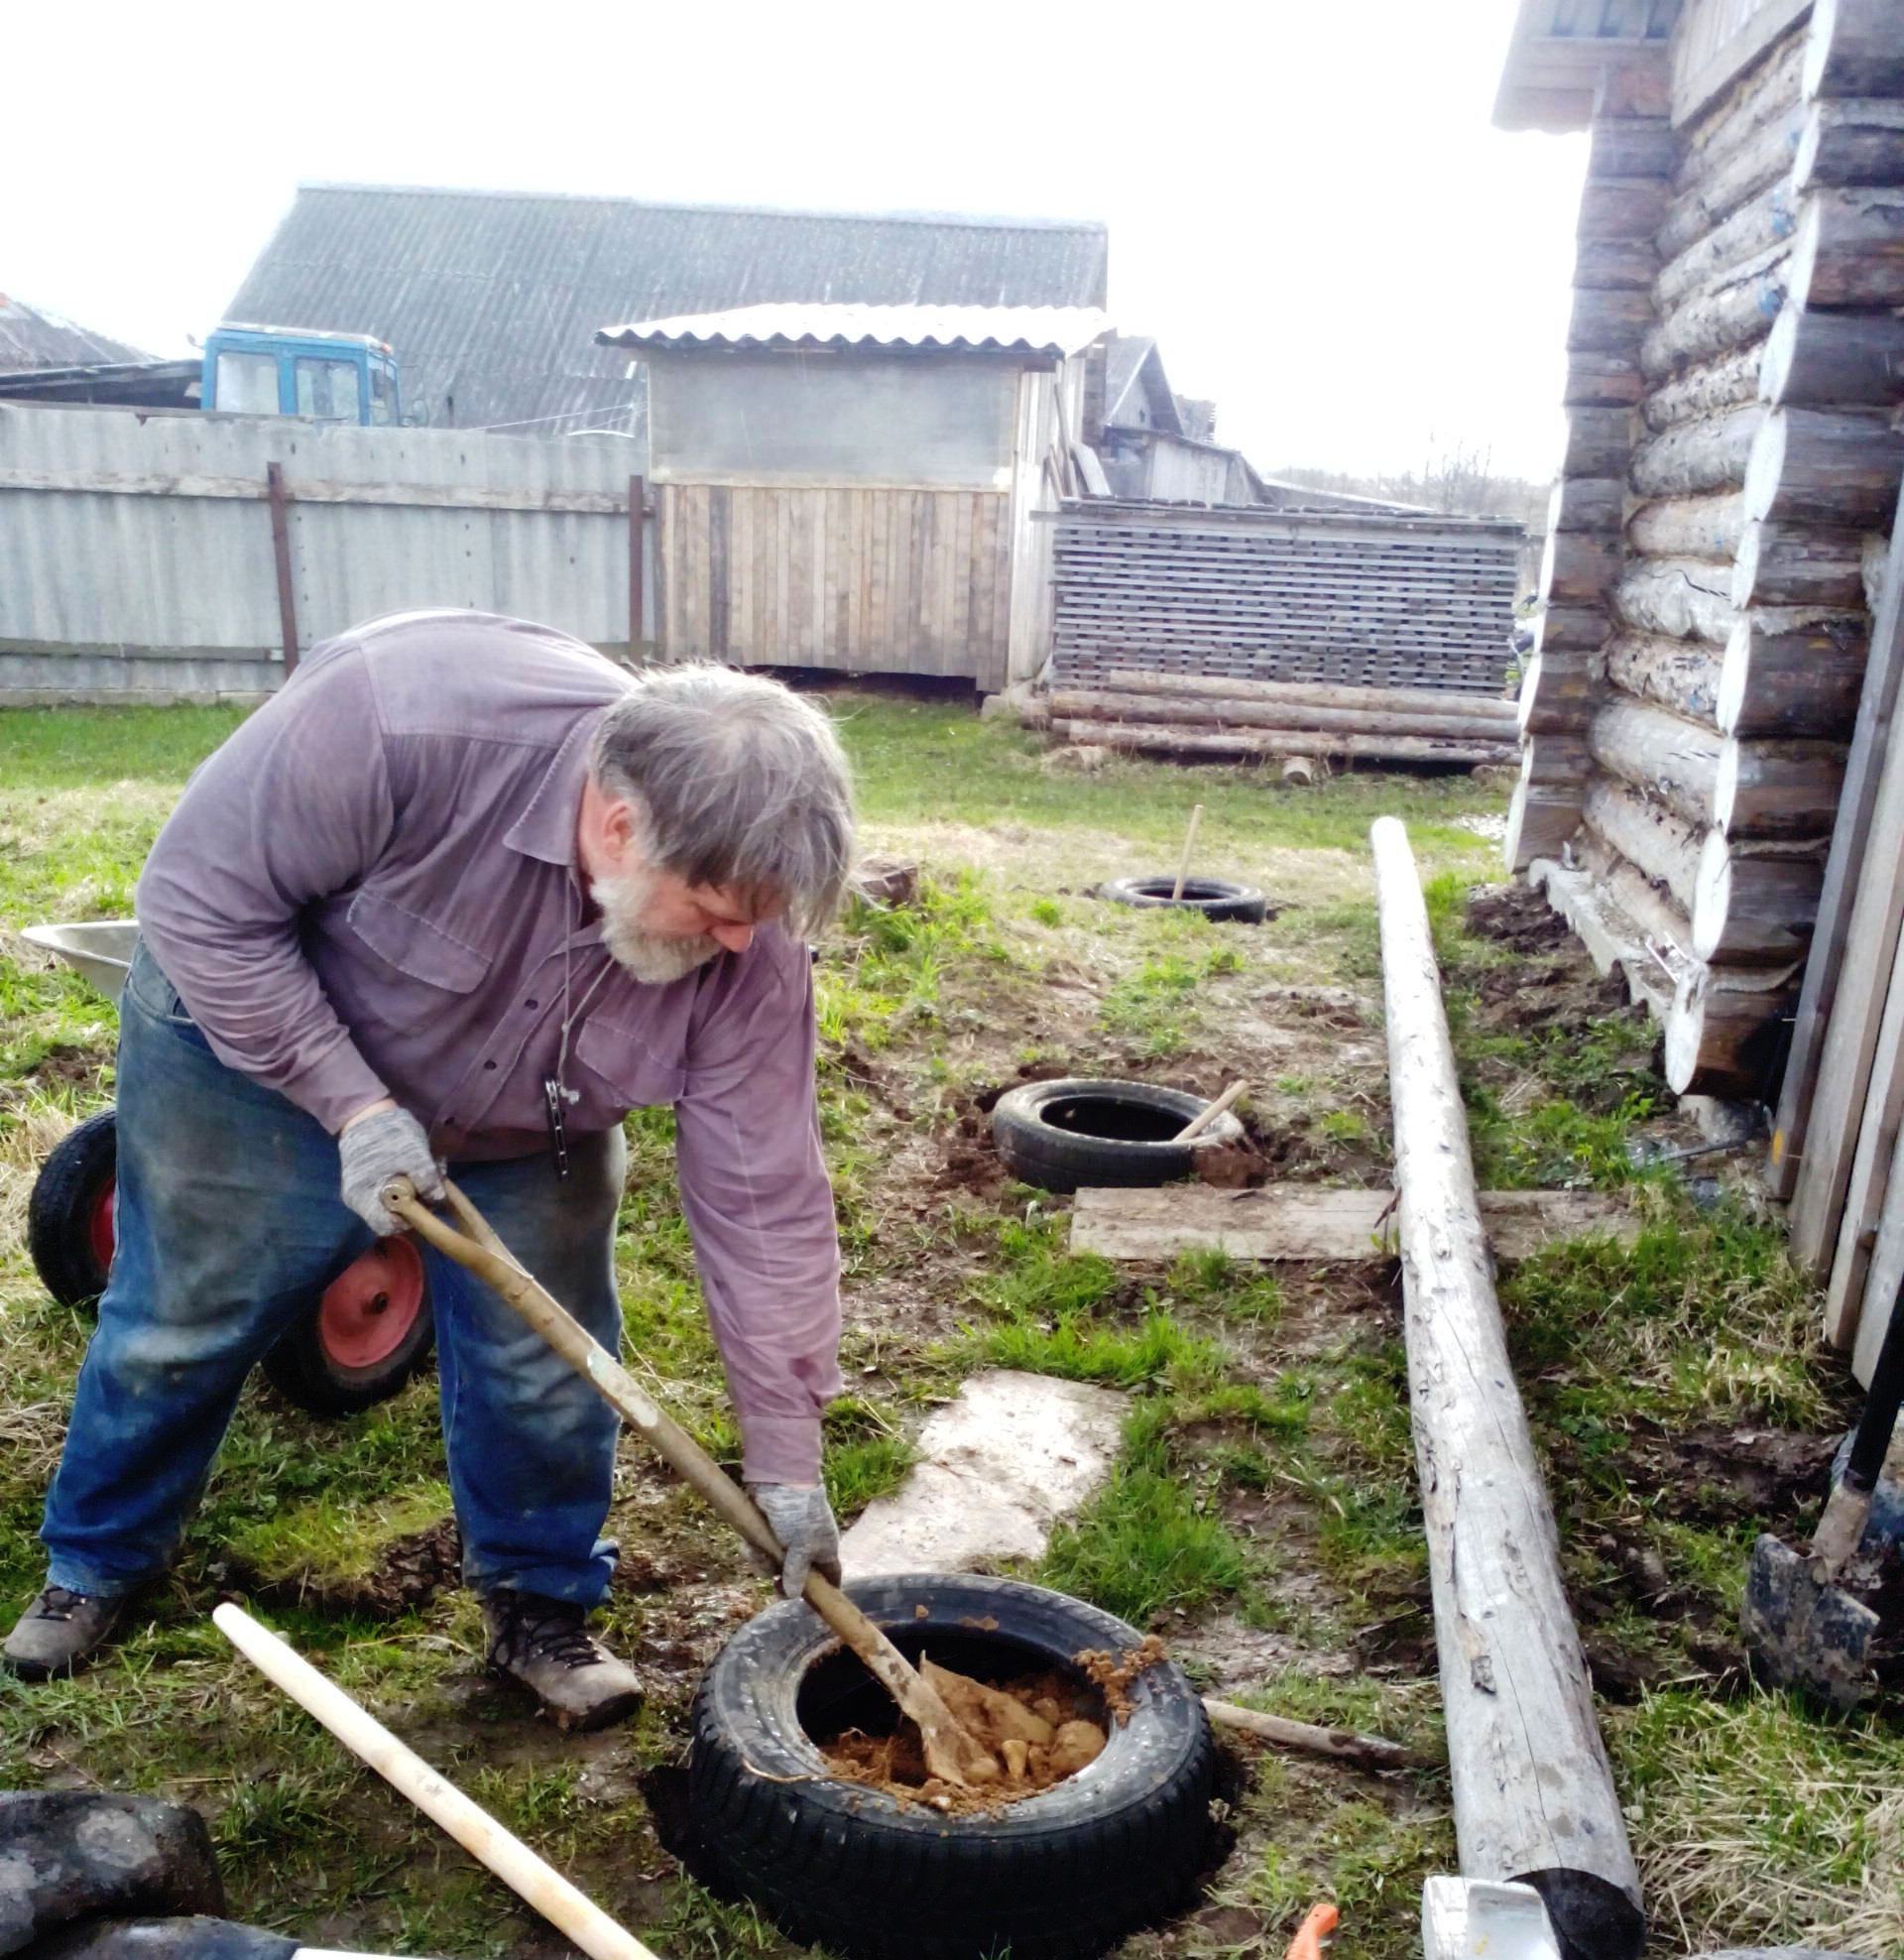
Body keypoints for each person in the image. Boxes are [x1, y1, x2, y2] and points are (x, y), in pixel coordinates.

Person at [4, 610, 855, 1731]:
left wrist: (787, 1463)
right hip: (256, 1053)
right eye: (717, 911)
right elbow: (203, 907)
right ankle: (98, 1561)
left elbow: (764, 1200)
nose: (741, 941)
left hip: (526, 1113)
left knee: (549, 1357)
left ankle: (538, 1603)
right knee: (185, 1312)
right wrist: (352, 1104)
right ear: (619, 825)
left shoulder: (750, 941)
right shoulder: (395, 720)